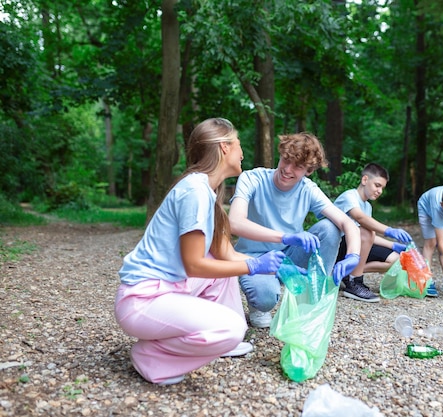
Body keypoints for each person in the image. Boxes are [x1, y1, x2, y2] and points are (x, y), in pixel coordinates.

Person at [114, 118, 286, 385]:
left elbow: (227, 256)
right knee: (232, 328)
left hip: (166, 290)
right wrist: (253, 266)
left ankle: (222, 343)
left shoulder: (206, 191)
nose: (243, 152)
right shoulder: (194, 192)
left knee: (221, 266)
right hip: (142, 301)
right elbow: (194, 265)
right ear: (225, 147)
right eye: (239, 144)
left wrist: (273, 265)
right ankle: (151, 356)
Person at [229, 132, 361, 328]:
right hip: (254, 258)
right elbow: (235, 222)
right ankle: (259, 304)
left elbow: (347, 223)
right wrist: (286, 237)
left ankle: (310, 302)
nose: (287, 169)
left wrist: (353, 256)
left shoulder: (308, 189)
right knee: (265, 299)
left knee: (329, 228)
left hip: (289, 257)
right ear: (281, 154)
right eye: (286, 160)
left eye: (298, 166)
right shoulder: (253, 178)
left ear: (308, 170)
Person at [334, 163, 413, 302]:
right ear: (365, 180)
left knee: (395, 259)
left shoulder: (367, 206)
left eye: (382, 188)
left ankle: (347, 274)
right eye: (377, 185)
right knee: (366, 230)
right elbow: (360, 218)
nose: (380, 191)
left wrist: (393, 245)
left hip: (354, 248)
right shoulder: (349, 196)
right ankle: (354, 283)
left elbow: (369, 238)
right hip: (338, 249)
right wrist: (389, 230)